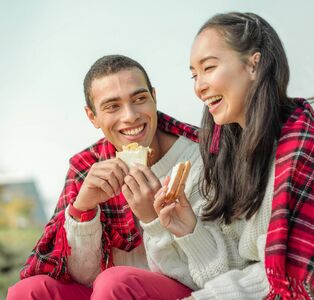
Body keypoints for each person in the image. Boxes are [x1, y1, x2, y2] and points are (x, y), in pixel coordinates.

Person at [151, 12, 314, 299]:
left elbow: (287, 279)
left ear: (253, 65)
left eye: (209, 68)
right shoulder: (234, 151)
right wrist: (189, 230)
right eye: (194, 75)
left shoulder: (304, 152)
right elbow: (238, 269)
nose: (199, 87)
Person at [7, 54, 203, 300]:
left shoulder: (197, 157)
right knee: (27, 292)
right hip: (108, 290)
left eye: (140, 99)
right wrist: (84, 209)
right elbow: (84, 277)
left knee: (115, 283)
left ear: (154, 97)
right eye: (112, 106)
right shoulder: (87, 166)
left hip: (183, 286)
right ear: (92, 117)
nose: (130, 116)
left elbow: (207, 268)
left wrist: (151, 217)